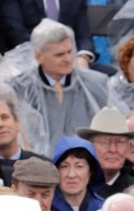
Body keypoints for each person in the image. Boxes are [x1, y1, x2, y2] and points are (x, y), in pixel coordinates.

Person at [8, 19, 110, 151]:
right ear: (39, 57)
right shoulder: (18, 88)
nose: (68, 59)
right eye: (60, 55)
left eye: (70, 52)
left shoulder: (96, 84)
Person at [50, 136, 105, 211]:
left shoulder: (104, 209)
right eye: (64, 166)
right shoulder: (46, 208)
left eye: (79, 166)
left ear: (90, 172)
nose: (71, 174)